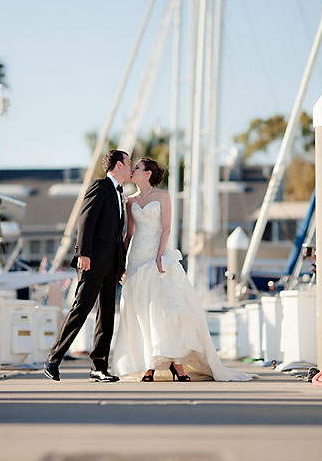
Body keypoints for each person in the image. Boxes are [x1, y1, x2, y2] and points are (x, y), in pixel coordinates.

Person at [110, 158, 252, 382]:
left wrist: (159, 255)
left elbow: (166, 228)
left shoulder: (163, 196)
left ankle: (177, 363)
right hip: (136, 257)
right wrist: (121, 264)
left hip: (156, 256)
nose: (132, 170)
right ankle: (149, 364)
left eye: (137, 167)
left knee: (166, 311)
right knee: (140, 311)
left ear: (147, 174)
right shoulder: (130, 200)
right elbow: (129, 234)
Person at [44, 149, 132, 383]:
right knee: (80, 309)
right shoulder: (101, 186)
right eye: (129, 162)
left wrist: (120, 265)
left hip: (111, 266)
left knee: (107, 316)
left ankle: (99, 367)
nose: (132, 166)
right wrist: (83, 252)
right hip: (92, 263)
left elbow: (116, 236)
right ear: (118, 165)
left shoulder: (119, 194)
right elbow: (86, 218)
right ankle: (53, 360)